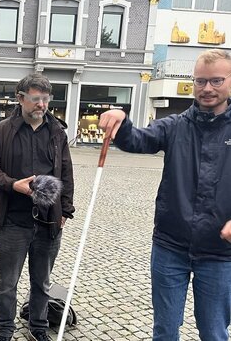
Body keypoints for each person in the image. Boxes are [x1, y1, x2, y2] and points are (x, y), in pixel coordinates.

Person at [99, 48, 231, 341]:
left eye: (216, 81)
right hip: (171, 246)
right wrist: (122, 121)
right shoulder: (175, 125)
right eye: (200, 81)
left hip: (221, 254)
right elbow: (139, 139)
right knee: (164, 331)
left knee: (214, 332)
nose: (206, 88)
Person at [0, 73, 75, 341]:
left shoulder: (57, 133)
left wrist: (65, 210)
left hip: (48, 222)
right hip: (13, 221)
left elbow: (66, 172)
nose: (42, 105)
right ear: (20, 99)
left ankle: (38, 327)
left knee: (41, 283)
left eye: (45, 99)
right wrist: (13, 185)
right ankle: (5, 330)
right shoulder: (3, 131)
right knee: (8, 284)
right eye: (36, 99)